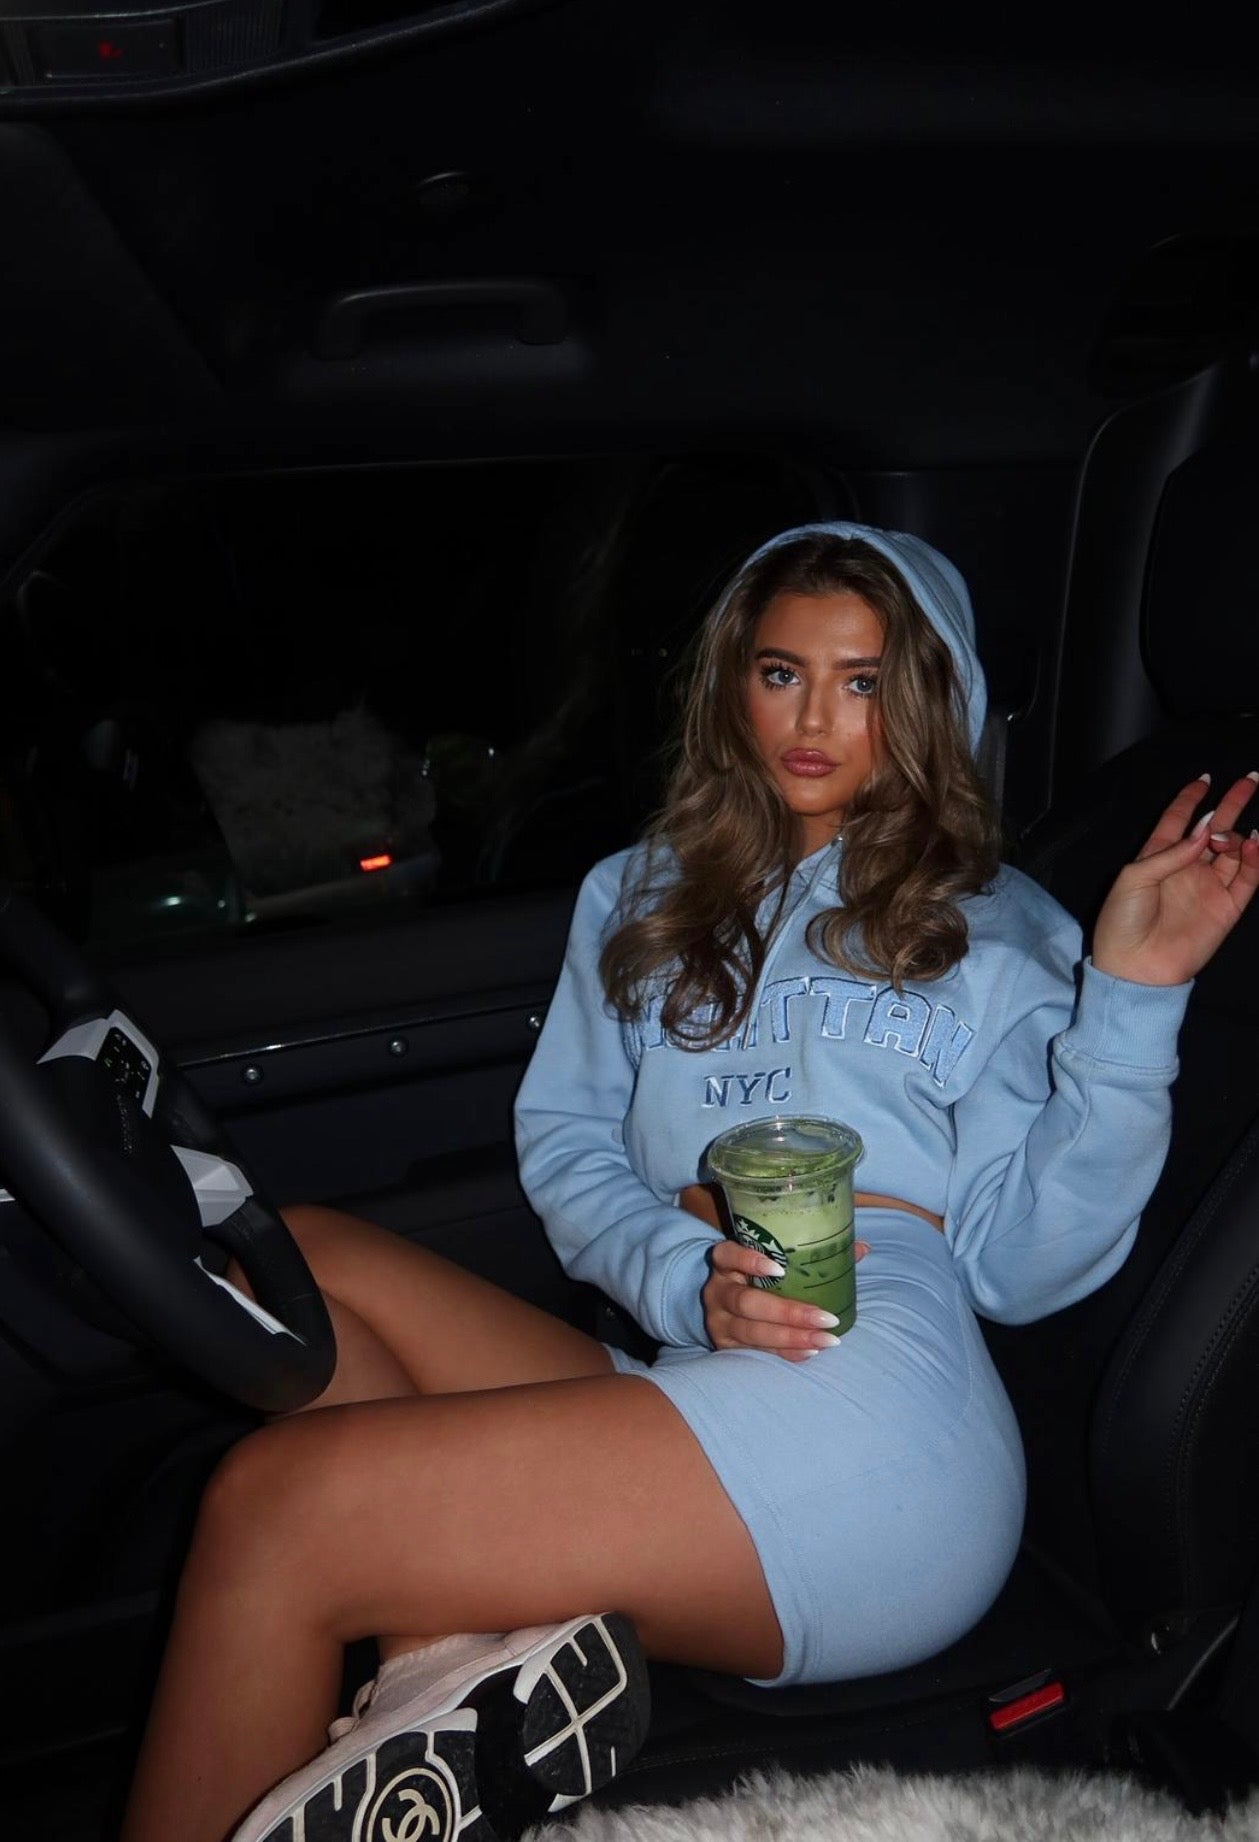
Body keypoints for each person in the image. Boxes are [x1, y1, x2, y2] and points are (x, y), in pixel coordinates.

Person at [120, 523, 1259, 1842]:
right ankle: (443, 1659)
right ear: (733, 684)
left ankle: (429, 1627)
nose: (813, 720)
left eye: (863, 681)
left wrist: (1133, 1003)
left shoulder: (999, 926)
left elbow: (1023, 1263)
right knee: (305, 1261)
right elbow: (571, 1147)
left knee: (273, 1508)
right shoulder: (639, 896)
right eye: (781, 673)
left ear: (929, 699)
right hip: (700, 1350)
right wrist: (679, 1277)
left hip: (879, 1413)